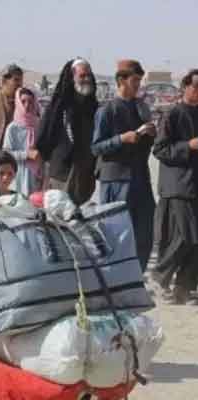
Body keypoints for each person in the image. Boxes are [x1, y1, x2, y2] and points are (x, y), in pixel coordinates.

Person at [92, 60, 156, 272]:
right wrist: (121, 139)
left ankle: (137, 275)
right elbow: (96, 147)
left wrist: (149, 134)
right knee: (116, 234)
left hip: (140, 179)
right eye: (134, 80)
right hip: (116, 181)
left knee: (144, 233)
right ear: (121, 80)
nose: (138, 85)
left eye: (139, 80)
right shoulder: (107, 110)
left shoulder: (141, 108)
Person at [151, 69, 198, 305]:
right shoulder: (173, 114)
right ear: (185, 87)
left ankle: (184, 288)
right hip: (178, 186)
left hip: (195, 185)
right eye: (196, 87)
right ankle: (160, 275)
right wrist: (188, 146)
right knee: (186, 237)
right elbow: (160, 149)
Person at [36, 58, 99, 205]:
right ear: (72, 78)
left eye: (89, 75)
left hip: (85, 174)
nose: (86, 79)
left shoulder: (93, 108)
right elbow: (45, 137)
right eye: (82, 76)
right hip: (61, 173)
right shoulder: (59, 107)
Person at [2, 87, 43, 196]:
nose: (27, 105)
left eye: (30, 102)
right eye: (23, 101)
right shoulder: (13, 128)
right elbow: (7, 154)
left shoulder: (39, 125)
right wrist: (26, 154)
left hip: (36, 176)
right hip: (19, 175)